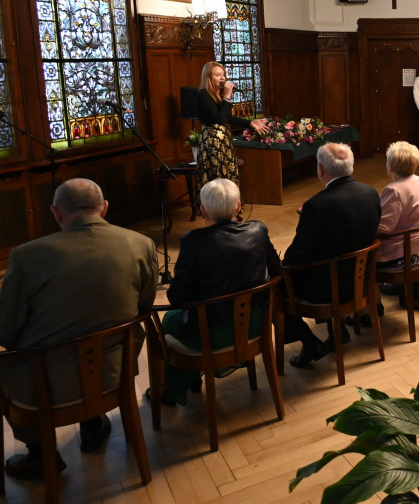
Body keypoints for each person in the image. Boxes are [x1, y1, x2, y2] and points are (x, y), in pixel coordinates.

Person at [0, 179, 157, 479]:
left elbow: (7, 331)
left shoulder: (26, 257)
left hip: (45, 387)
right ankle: (93, 424)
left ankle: (40, 454)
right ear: (105, 208)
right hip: (114, 372)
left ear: (56, 213)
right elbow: (144, 307)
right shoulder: (140, 244)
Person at [159, 179, 280, 405]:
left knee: (169, 321)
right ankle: (189, 381)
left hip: (211, 333)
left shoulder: (193, 242)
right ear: (238, 206)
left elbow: (177, 298)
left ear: (203, 210)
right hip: (256, 324)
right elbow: (277, 272)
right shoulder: (258, 230)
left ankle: (175, 390)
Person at [282, 143, 381, 368]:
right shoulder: (371, 193)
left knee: (277, 286)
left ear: (320, 169)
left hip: (329, 289)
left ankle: (310, 344)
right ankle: (338, 333)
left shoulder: (317, 205)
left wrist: (280, 268)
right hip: (361, 280)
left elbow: (296, 257)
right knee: (330, 257)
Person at [195, 60, 268, 190]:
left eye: (223, 74)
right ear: (208, 77)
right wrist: (227, 97)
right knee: (217, 179)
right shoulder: (203, 95)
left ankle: (230, 207)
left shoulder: (219, 95)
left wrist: (250, 123)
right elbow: (220, 120)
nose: (223, 78)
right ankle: (216, 208)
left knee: (228, 175)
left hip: (224, 141)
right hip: (212, 143)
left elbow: (227, 117)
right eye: (218, 75)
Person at [377, 140, 419, 270]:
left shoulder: (394, 190)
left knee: (363, 258)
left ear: (390, 166)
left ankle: (372, 290)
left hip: (403, 255)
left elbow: (383, 228)